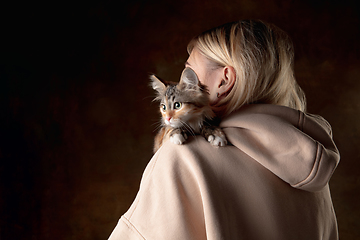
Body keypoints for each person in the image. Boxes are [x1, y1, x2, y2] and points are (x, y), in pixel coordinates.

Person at [108, 20, 340, 240]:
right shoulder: (312, 167)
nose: (180, 83)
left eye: (189, 72)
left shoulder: (184, 156)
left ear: (224, 80)